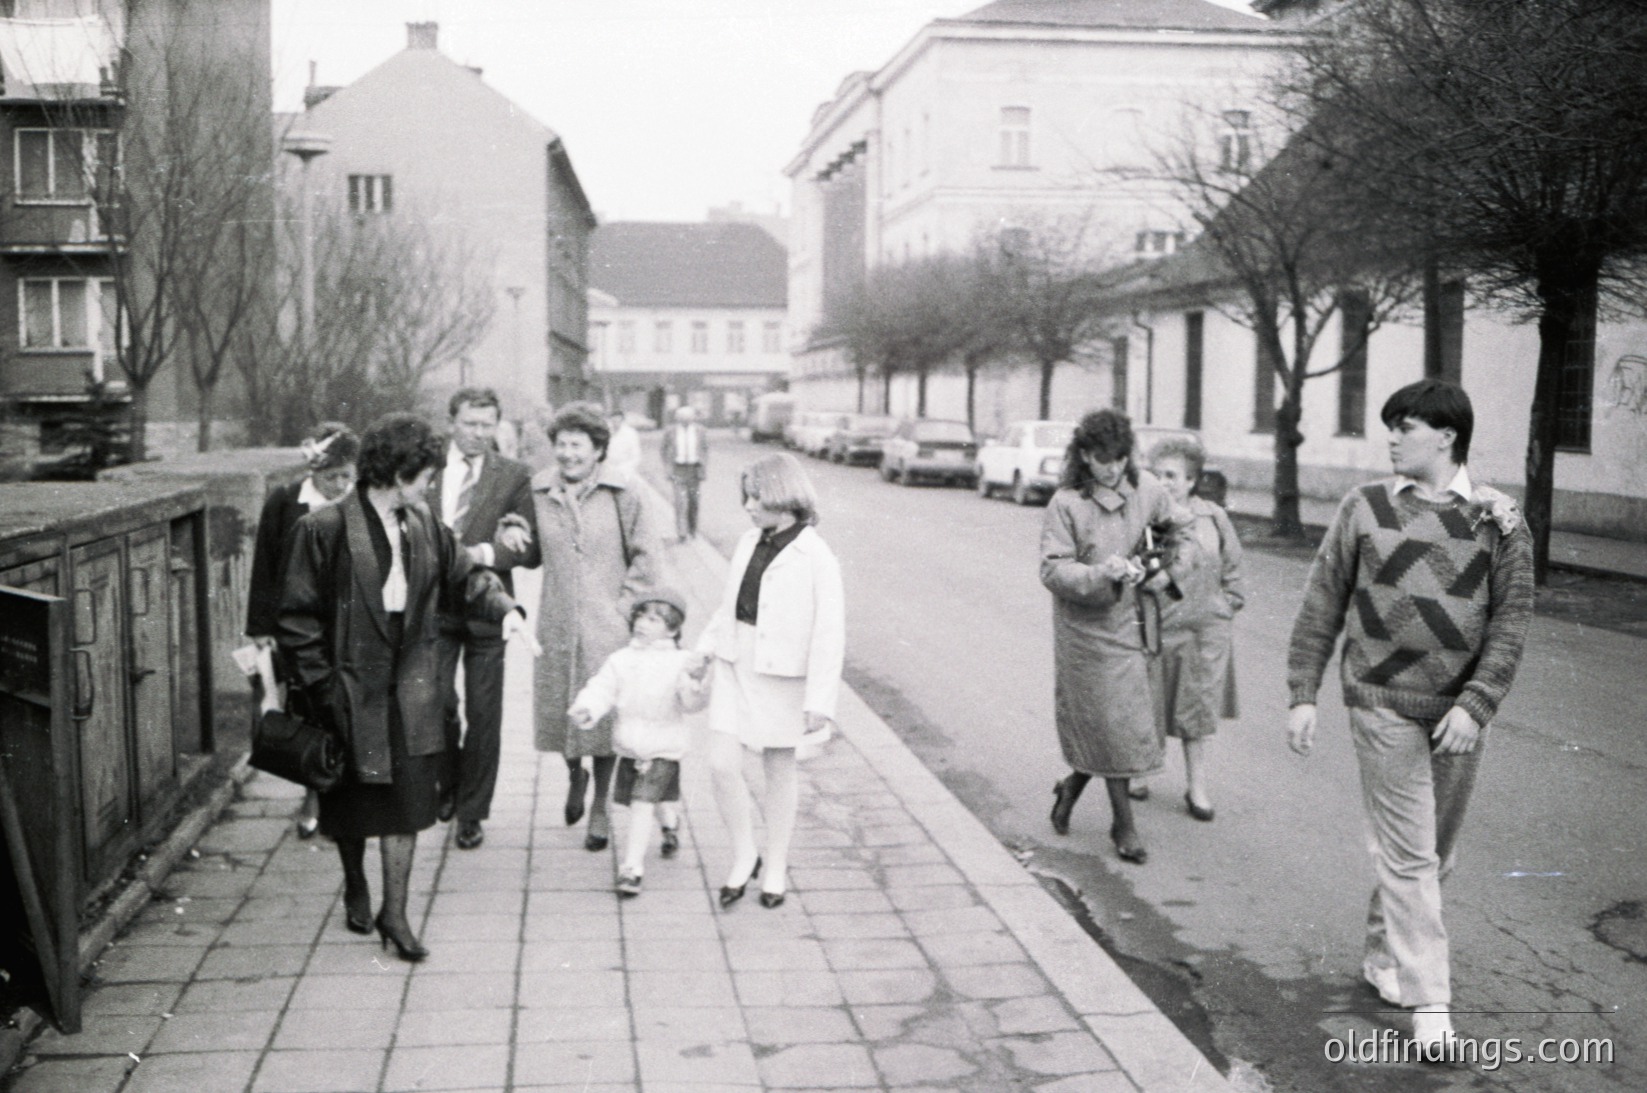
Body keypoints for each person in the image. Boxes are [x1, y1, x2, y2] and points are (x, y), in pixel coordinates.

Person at [1287, 379, 1533, 1053]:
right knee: (1409, 852)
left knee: (1432, 852)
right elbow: (1321, 601)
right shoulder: (1362, 507)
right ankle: (1431, 1009)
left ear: (1446, 435)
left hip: (1455, 709)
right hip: (1379, 701)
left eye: (1405, 425)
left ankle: (1381, 956)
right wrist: (1302, 690)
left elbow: (1510, 622)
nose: (1391, 436)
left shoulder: (1497, 522)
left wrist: (1474, 704)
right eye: (1390, 425)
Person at [277, 413, 539, 962]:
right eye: (424, 476)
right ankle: (356, 883)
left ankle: (394, 912)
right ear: (397, 473)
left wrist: (507, 610)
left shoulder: (421, 524)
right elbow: (297, 621)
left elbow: (467, 573)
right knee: (351, 799)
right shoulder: (323, 530)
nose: (429, 486)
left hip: (411, 684)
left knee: (407, 800)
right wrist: (325, 689)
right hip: (348, 686)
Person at [1041, 409, 1192, 865]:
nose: (1113, 468)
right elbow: (1052, 568)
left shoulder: (1146, 488)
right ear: (1085, 456)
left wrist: (1166, 572)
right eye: (1103, 459)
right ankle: (1123, 825)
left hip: (1132, 623)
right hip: (1085, 630)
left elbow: (1182, 530)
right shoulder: (1066, 502)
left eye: (1121, 458)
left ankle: (1072, 786)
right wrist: (1096, 574)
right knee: (1109, 723)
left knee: (1116, 724)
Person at [699, 453, 844, 909]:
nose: (748, 506)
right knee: (721, 763)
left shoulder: (816, 555)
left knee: (779, 769)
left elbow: (829, 631)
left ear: (783, 495)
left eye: (756, 496)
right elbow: (729, 605)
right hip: (734, 660)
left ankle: (776, 862)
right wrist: (703, 651)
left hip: (783, 675)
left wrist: (820, 700)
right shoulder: (748, 540)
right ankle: (745, 853)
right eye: (747, 496)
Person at [531, 402, 661, 852]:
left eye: (577, 445)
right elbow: (526, 545)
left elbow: (647, 558)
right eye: (560, 445)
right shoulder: (537, 491)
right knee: (564, 712)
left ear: (599, 448)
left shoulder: (627, 491)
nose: (566, 454)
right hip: (557, 624)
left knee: (603, 721)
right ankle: (575, 775)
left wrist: (626, 611)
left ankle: (601, 806)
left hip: (610, 627)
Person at [428, 388, 541, 851]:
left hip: (488, 607)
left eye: (487, 424)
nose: (478, 433)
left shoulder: (512, 476)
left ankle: (472, 812)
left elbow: (529, 549)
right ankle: (448, 783)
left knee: (484, 712)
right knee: (436, 703)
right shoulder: (426, 467)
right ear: (451, 421)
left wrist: (482, 553)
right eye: (470, 423)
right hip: (431, 607)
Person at [245, 422, 359, 840]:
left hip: (346, 627)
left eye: (349, 475)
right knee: (309, 713)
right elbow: (266, 565)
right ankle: (313, 795)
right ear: (313, 471)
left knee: (345, 709)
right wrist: (260, 628)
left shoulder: (357, 505)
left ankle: (344, 797)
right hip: (299, 627)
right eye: (333, 477)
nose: (341, 485)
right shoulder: (287, 501)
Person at [568, 587, 710, 897]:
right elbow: (602, 687)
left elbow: (691, 704)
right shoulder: (621, 659)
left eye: (655, 619)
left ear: (672, 628)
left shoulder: (682, 662)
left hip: (663, 744)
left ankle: (631, 868)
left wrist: (697, 681)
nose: (643, 624)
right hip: (631, 743)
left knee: (641, 802)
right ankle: (670, 824)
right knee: (652, 798)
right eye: (641, 617)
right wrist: (588, 706)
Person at [1147, 435, 1244, 822]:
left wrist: (1224, 606)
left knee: (1196, 709)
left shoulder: (1213, 517)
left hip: (1205, 630)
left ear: (1191, 480)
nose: (1164, 482)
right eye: (1158, 475)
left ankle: (1196, 786)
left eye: (1172, 475)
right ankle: (1141, 771)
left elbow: (1234, 568)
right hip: (1161, 626)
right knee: (1150, 701)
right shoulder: (1148, 518)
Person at [662, 404, 708, 542]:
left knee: (694, 501)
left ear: (693, 418)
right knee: (680, 502)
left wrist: (703, 465)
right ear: (678, 419)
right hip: (678, 469)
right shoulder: (671, 431)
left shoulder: (701, 431)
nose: (686, 421)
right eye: (682, 418)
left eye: (688, 418)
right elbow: (663, 449)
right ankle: (682, 533)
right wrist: (667, 466)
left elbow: (705, 449)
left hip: (694, 469)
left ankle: (692, 530)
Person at [605, 408, 643, 485]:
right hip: (608, 470)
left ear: (622, 421)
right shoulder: (607, 432)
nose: (615, 423)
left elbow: (636, 456)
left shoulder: (630, 433)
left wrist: (624, 469)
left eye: (617, 421)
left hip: (626, 471)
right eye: (613, 421)